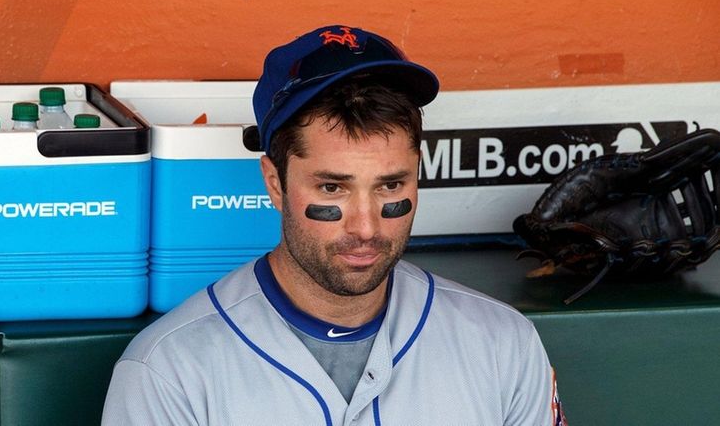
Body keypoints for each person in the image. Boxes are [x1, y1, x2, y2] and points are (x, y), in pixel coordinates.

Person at [102, 24, 566, 425]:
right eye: (332, 188)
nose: (365, 227)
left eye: (390, 185)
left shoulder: (503, 344)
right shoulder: (168, 373)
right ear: (275, 183)